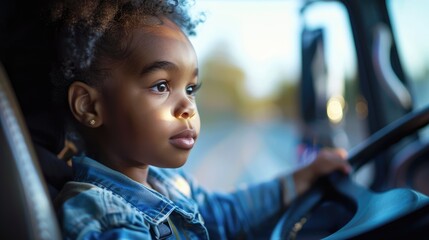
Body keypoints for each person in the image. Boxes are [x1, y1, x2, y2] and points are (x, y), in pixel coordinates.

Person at [49, 0, 351, 239]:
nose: (188, 107)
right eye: (161, 86)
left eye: (191, 89)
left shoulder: (167, 183)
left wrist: (302, 177)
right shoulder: (99, 213)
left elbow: (227, 215)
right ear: (89, 107)